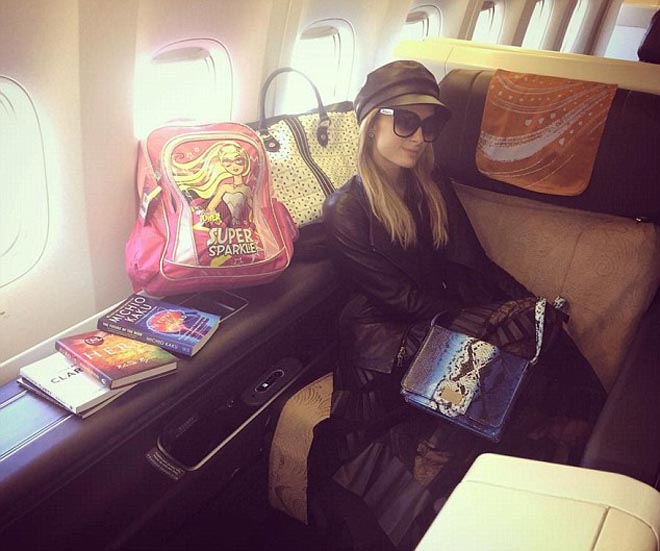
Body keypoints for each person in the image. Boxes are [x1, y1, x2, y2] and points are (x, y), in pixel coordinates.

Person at [308, 60, 606, 551]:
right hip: (384, 333)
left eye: (430, 126)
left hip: (433, 312)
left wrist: (521, 305)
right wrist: (480, 325)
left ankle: (551, 464)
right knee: (500, 345)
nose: (419, 138)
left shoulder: (429, 181)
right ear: (372, 123)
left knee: (529, 329)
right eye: (407, 122)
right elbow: (399, 298)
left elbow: (473, 261)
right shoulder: (345, 208)